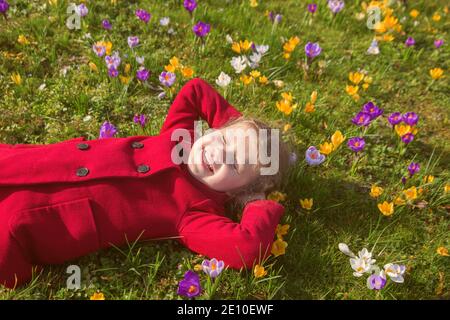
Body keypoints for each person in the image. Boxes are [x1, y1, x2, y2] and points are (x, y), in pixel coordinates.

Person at [0, 78, 291, 289]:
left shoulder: (197, 214)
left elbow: (248, 248)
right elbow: (195, 90)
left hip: (39, 221)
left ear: (236, 191)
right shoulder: (181, 136)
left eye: (236, 163)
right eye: (225, 140)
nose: (219, 153)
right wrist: (236, 127)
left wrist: (257, 202)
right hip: (38, 164)